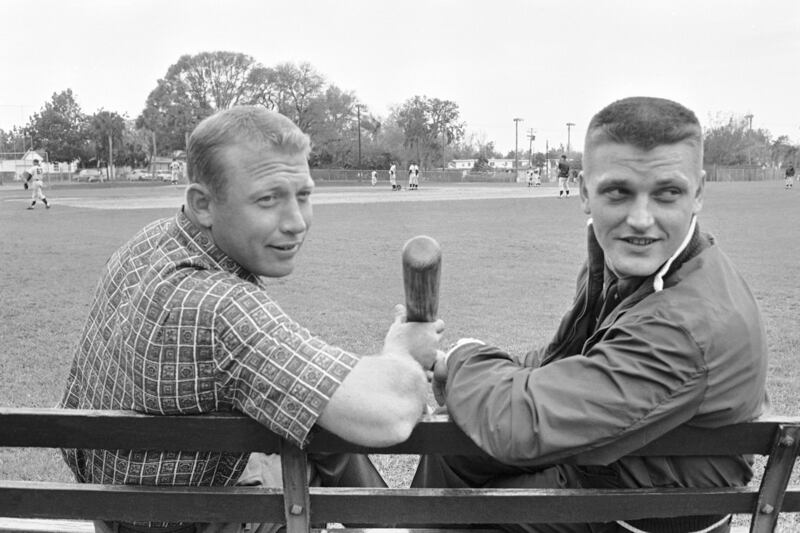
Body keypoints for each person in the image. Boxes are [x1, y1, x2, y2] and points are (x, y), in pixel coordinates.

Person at [60, 106, 444, 533]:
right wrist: (403, 352)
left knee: (317, 409)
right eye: (268, 199)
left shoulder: (150, 242)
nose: (297, 223)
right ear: (203, 204)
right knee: (325, 435)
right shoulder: (219, 307)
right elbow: (389, 412)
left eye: (303, 195)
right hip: (191, 523)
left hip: (118, 509)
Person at [415, 96, 768, 533]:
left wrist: (464, 358)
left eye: (667, 193)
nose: (641, 219)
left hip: (651, 513)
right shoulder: (646, 263)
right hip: (630, 470)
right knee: (455, 449)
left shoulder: (683, 325)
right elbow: (568, 358)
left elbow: (520, 424)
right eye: (618, 192)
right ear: (584, 191)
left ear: (698, 194)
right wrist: (492, 368)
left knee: (471, 509)